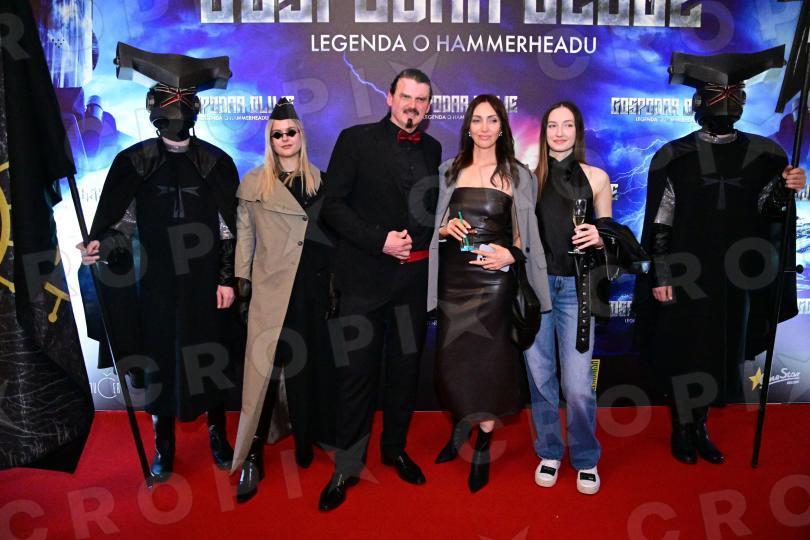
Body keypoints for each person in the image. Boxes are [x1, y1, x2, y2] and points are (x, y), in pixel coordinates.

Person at [634, 47, 806, 465]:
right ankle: (681, 426)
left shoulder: (765, 156)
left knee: (719, 352)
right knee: (684, 350)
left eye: (734, 94)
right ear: (698, 102)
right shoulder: (675, 156)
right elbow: (661, 222)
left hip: (734, 277)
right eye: (717, 95)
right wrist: (661, 275)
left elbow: (769, 215)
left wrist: (785, 188)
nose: (726, 103)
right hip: (685, 275)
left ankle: (701, 426)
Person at [77, 44, 239, 482]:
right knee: (160, 361)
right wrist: (100, 246)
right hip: (157, 286)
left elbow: (229, 228)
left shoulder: (216, 163)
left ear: (196, 108)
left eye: (183, 101)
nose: (176, 112)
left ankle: (218, 436)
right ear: (153, 107)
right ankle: (163, 446)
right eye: (168, 101)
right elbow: (121, 227)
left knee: (211, 358)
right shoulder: (135, 162)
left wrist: (226, 279)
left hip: (205, 285)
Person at [318, 69, 442, 511]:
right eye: (406, 96)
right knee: (357, 375)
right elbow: (331, 206)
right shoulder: (355, 140)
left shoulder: (433, 148)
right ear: (389, 98)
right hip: (363, 281)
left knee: (405, 371)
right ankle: (347, 466)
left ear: (428, 107)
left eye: (421, 100)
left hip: (411, 285)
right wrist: (379, 240)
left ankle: (395, 449)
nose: (413, 105)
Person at [427, 94, 551, 492]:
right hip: (454, 280)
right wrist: (444, 229)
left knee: (489, 363)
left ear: (501, 127)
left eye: (492, 120)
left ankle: (482, 442)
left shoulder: (519, 174)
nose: (484, 127)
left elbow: (525, 233)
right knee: (453, 361)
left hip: (495, 281)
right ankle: (460, 425)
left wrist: (510, 255)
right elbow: (433, 223)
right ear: (467, 126)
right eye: (477, 120)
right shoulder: (448, 170)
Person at [230, 98, 336, 503]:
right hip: (272, 290)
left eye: (291, 132)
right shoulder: (255, 183)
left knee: (309, 366)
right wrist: (242, 285)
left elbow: (331, 239)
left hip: (312, 290)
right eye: (278, 134)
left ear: (301, 135)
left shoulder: (322, 182)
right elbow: (245, 238)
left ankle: (308, 438)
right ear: (270, 140)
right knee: (264, 373)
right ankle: (252, 453)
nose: (285, 139)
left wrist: (334, 285)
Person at [523, 101, 613, 495]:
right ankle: (548, 450)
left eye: (568, 125)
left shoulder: (597, 178)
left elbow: (611, 237)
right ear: (544, 132)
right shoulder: (528, 179)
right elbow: (518, 236)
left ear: (578, 131)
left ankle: (585, 457)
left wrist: (600, 235)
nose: (559, 133)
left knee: (577, 385)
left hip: (577, 290)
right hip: (536, 288)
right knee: (540, 377)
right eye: (552, 125)